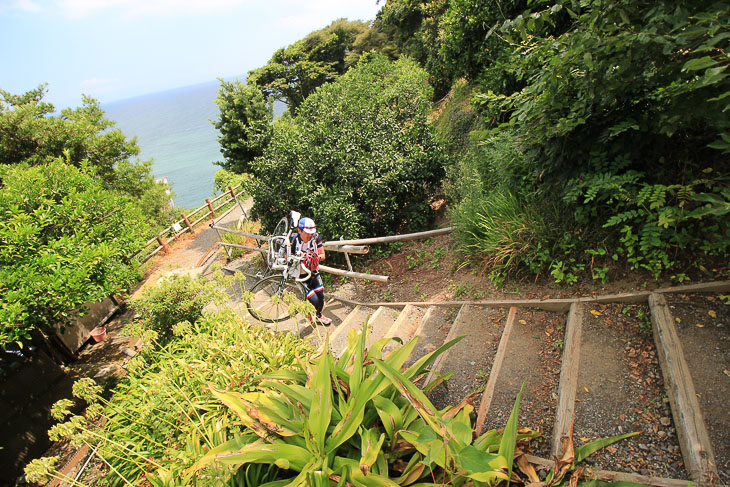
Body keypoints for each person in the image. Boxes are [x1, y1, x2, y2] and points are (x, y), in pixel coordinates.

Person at [289, 217, 332, 325]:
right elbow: (287, 257)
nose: (310, 235)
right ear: (299, 231)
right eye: (307, 233)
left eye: (311, 233)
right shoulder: (294, 240)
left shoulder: (316, 238)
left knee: (321, 297)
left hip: (313, 272)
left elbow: (323, 255)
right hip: (301, 276)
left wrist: (314, 257)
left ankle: (318, 316)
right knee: (314, 300)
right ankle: (308, 311)